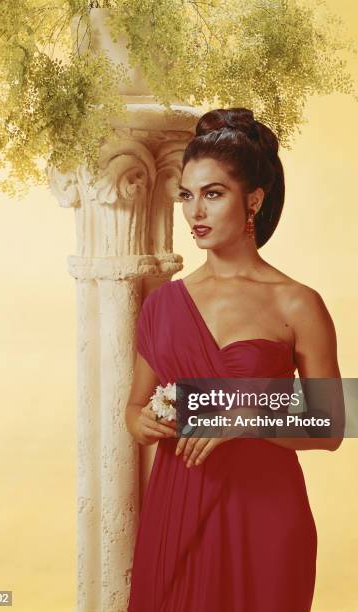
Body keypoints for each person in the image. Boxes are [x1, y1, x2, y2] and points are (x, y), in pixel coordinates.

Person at [125, 107, 343, 612]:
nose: (195, 212)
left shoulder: (296, 303)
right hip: (177, 507)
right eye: (187, 195)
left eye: (213, 194)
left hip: (264, 516)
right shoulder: (163, 303)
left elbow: (331, 426)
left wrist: (243, 419)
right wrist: (143, 422)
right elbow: (135, 410)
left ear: (253, 201)